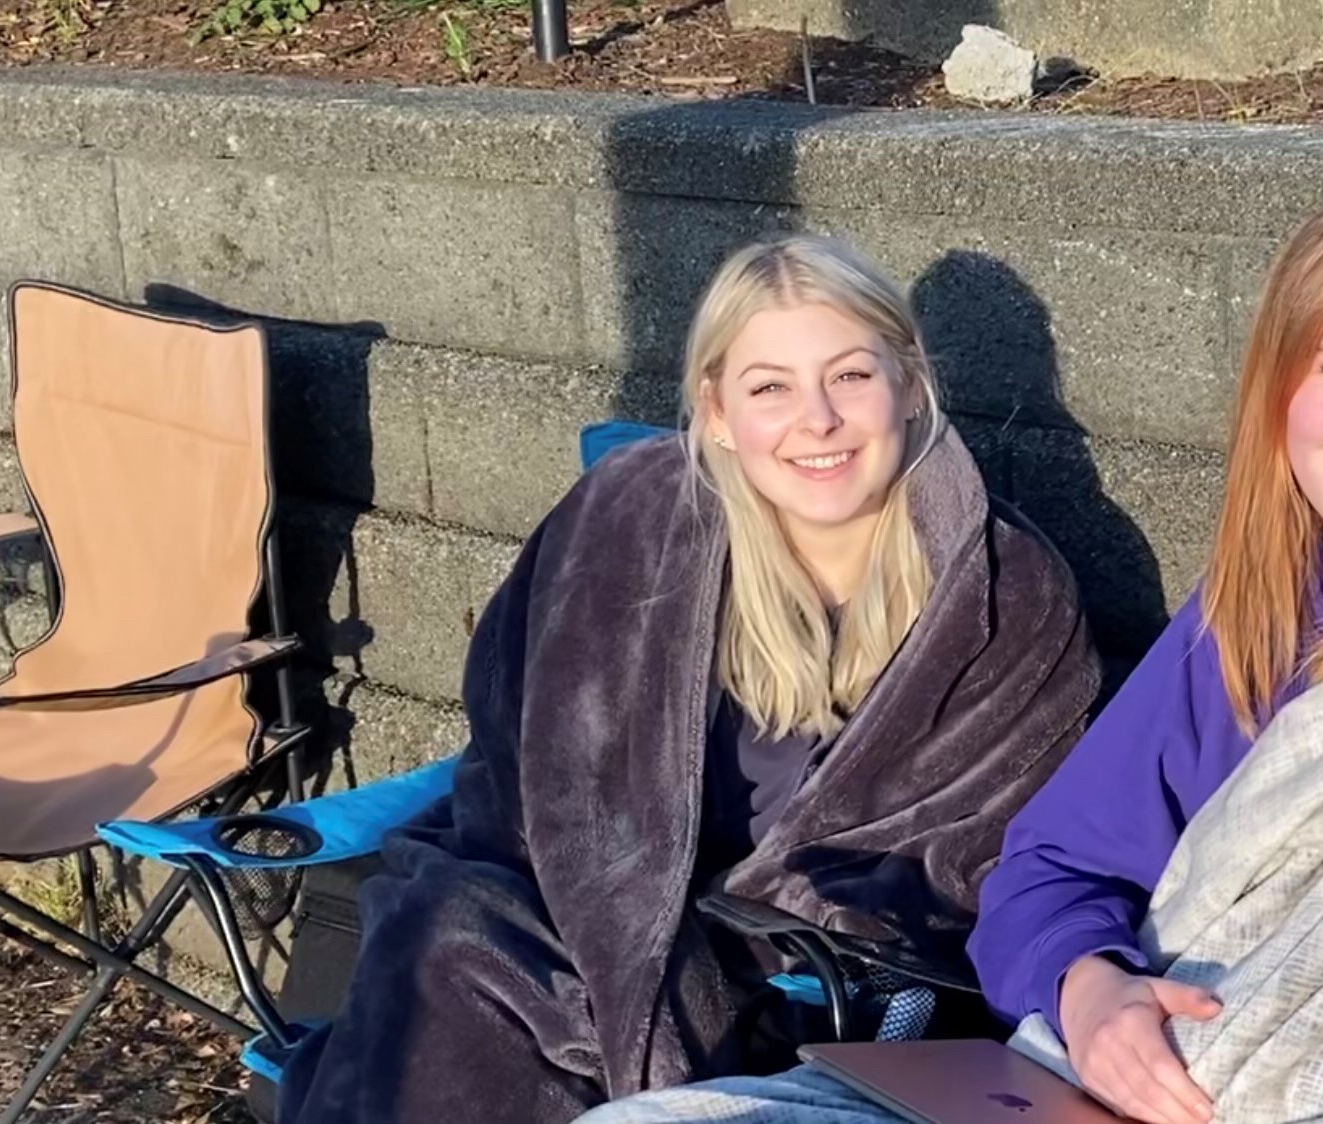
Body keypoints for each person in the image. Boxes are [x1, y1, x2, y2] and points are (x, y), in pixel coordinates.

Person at [574, 178, 1323, 1124]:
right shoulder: (1260, 598)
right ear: (1279, 387)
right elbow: (1047, 866)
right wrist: (1093, 990)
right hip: (1088, 1081)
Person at [274, 234, 1102, 1124]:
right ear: (715, 411)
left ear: (907, 384)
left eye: (850, 376)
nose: (816, 419)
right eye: (769, 387)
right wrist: (613, 941)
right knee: (447, 936)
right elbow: (519, 750)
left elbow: (997, 845)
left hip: (807, 965)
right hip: (576, 897)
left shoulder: (1003, 589)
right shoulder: (630, 519)